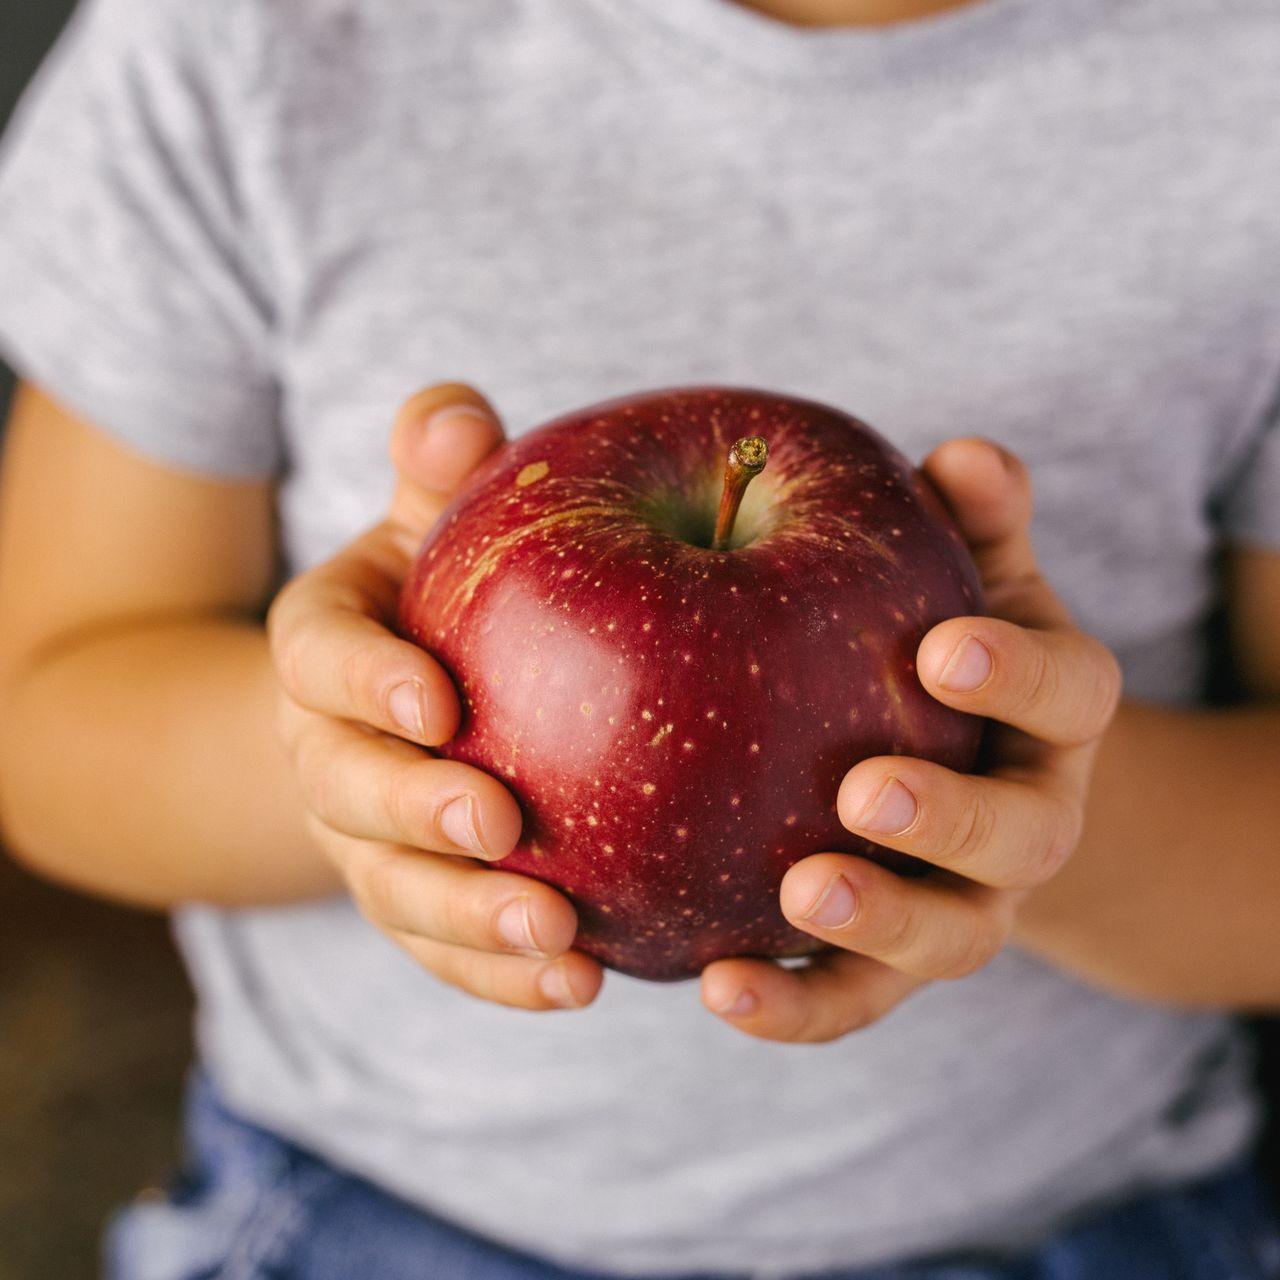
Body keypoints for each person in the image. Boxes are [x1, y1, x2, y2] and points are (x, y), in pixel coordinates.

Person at [0, 0, 1278, 1275]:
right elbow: (44, 710)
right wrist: (354, 769)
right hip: (371, 1205)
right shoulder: (249, 40)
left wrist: (1021, 813)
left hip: (1070, 1218)